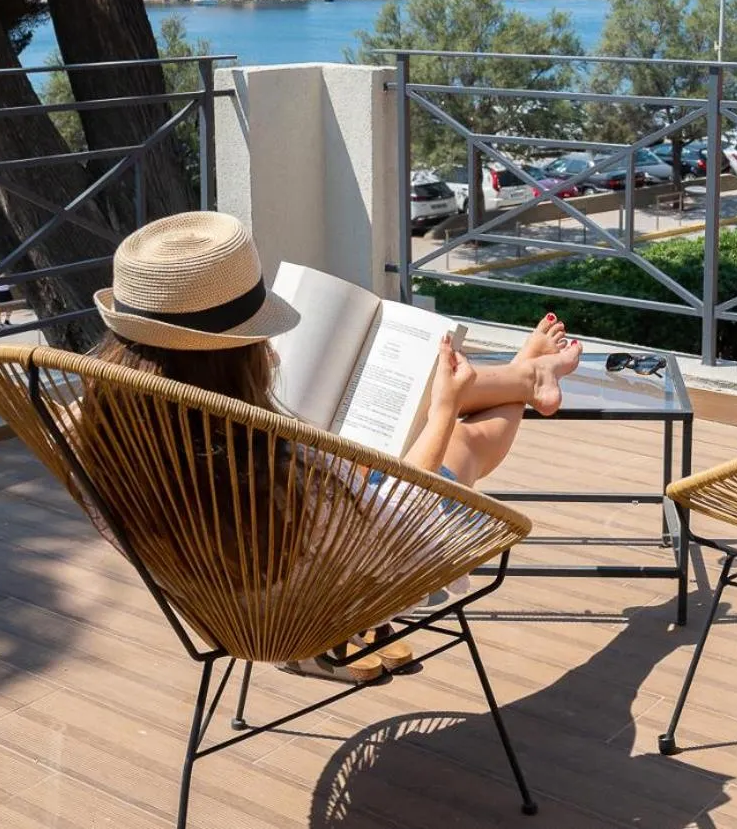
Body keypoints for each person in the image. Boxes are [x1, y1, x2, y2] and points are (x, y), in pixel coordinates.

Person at [82, 212, 582, 681]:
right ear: (240, 357)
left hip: (223, 605)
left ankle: (525, 373)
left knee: (425, 413)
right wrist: (444, 415)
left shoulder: (96, 440)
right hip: (332, 596)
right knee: (465, 442)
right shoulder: (291, 467)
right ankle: (527, 377)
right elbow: (406, 520)